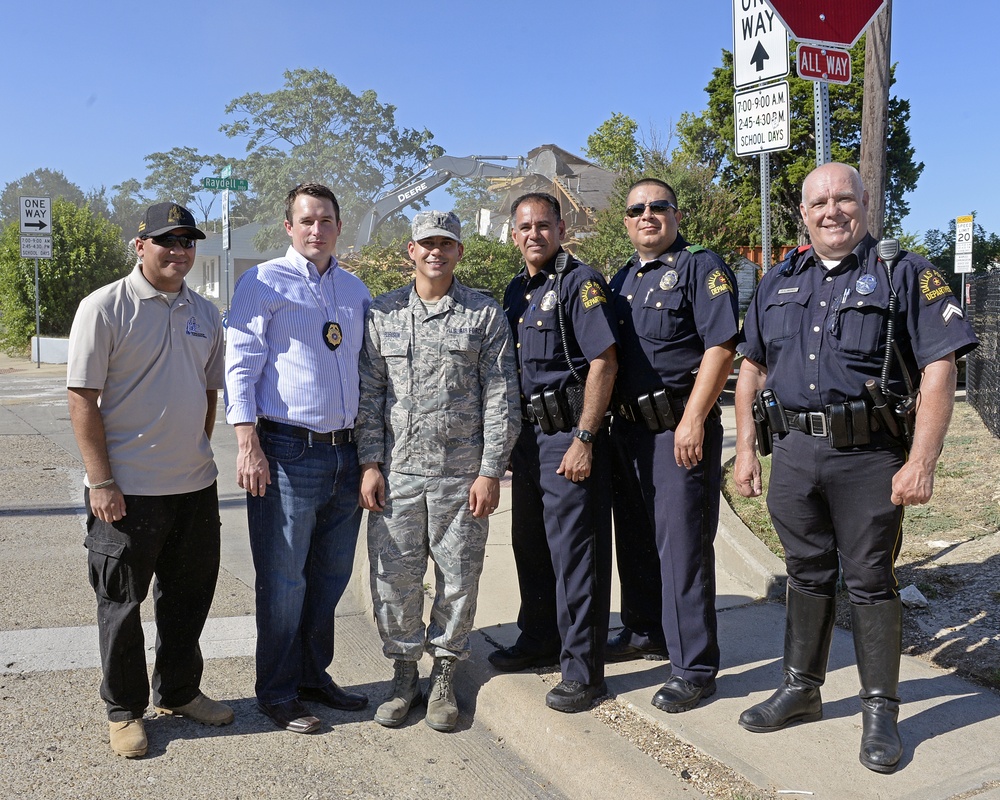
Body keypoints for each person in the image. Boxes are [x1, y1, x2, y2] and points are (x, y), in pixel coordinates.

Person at [733, 162, 978, 773]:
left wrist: (921, 461)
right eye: (820, 202)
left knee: (870, 581)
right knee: (805, 572)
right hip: (792, 454)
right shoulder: (778, 279)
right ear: (803, 214)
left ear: (867, 204)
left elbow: (940, 367)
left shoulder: (902, 273)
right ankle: (801, 690)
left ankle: (880, 712)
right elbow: (753, 368)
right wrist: (744, 447)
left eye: (845, 198)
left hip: (868, 457)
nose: (832, 211)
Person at [67, 202, 233, 758]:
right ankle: (124, 710)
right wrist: (101, 481)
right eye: (168, 241)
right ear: (140, 246)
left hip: (192, 487)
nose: (180, 252)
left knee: (188, 600)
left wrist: (194, 453)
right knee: (120, 603)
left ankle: (180, 691)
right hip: (126, 491)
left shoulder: (205, 314)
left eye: (188, 242)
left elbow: (208, 394)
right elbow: (82, 398)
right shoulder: (105, 307)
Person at [356, 211, 519, 731]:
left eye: (446, 245)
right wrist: (370, 464)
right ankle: (404, 674)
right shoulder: (380, 315)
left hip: (461, 476)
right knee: (395, 580)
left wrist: (491, 470)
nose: (436, 253)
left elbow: (500, 395)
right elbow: (369, 396)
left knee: (458, 580)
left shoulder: (483, 314)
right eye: (427, 244)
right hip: (398, 474)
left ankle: (445, 674)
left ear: (458, 253)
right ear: (410, 251)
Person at [225, 183, 372, 734]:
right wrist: (247, 443)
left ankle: (314, 677)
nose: (317, 229)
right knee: (284, 582)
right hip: (286, 450)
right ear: (288, 227)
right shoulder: (261, 282)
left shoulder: (356, 290)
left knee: (330, 576)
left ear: (339, 226)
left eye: (326, 220)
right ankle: (278, 691)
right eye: (306, 220)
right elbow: (239, 364)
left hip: (346, 452)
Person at [607, 178, 739, 713]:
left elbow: (722, 346)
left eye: (658, 207)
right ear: (626, 222)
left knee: (682, 550)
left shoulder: (699, 268)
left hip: (677, 432)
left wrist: (692, 421)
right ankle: (645, 631)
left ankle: (695, 668)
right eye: (637, 209)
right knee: (636, 539)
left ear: (675, 215)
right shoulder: (621, 279)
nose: (647, 215)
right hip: (629, 432)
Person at [488, 192, 617, 713]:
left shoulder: (579, 283)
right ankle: (539, 637)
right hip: (527, 440)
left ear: (561, 229)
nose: (534, 234)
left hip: (568, 436)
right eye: (525, 227)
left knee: (575, 557)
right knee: (532, 546)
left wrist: (585, 439)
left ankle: (584, 672)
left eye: (544, 225)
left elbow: (604, 362)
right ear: (513, 234)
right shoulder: (516, 290)